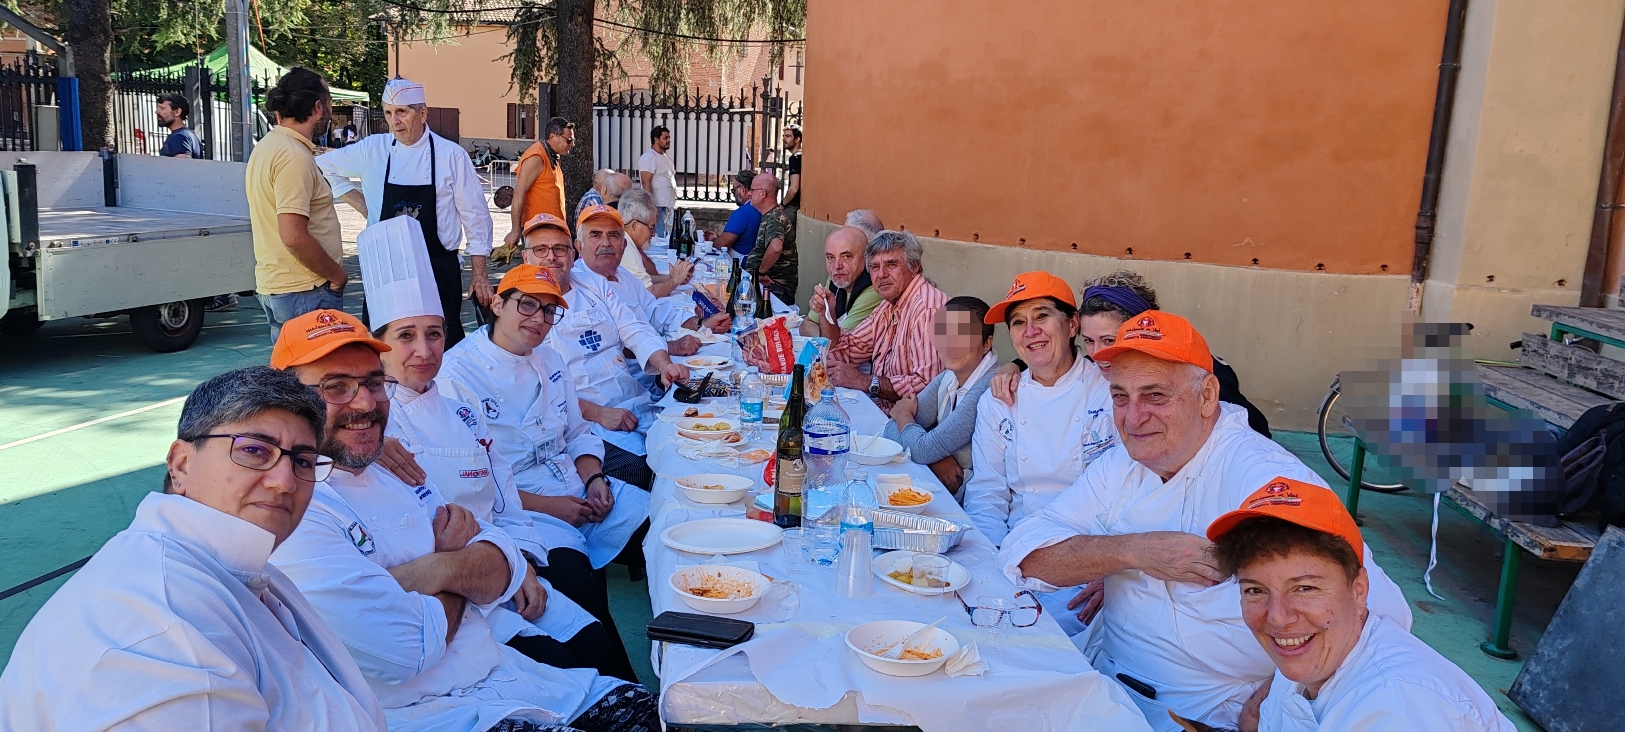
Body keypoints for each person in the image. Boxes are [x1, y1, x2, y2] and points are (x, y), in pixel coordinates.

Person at [997, 310, 1412, 732]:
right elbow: (1022, 555)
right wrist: (1130, 552)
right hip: (1103, 682)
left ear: (1208, 396)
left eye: (1155, 395)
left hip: (1204, 715)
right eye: (1120, 397)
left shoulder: (1263, 478)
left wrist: (1278, 694)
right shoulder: (1122, 464)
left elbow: (1382, 612)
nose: (1133, 417)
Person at [268, 308, 657, 732]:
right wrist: (460, 568)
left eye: (373, 383)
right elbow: (407, 652)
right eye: (335, 387)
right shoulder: (291, 509)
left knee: (652, 713)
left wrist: (433, 572)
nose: (364, 402)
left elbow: (501, 555)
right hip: (428, 714)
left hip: (504, 678)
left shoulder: (392, 467)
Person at [0, 366, 387, 731]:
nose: (285, 481)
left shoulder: (239, 569)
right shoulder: (164, 626)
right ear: (181, 464)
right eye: (254, 450)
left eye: (302, 461)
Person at [358, 216, 639, 683]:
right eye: (405, 335)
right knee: (577, 637)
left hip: (504, 557)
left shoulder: (459, 412)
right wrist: (509, 563)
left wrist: (519, 560)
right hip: (448, 598)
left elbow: (501, 495)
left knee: (597, 641)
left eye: (434, 334)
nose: (424, 351)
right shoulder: (369, 434)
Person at [1208, 478, 1517, 732]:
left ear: (1358, 590)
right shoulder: (1311, 663)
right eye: (1255, 590)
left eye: (1305, 588)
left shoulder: (1400, 708)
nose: (1277, 617)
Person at [437, 263, 654, 599]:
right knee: (582, 590)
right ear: (498, 304)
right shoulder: (456, 377)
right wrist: (552, 507)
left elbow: (577, 434)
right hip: (520, 511)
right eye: (527, 304)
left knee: (665, 530)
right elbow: (471, 486)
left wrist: (595, 480)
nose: (539, 318)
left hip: (577, 488)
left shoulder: (549, 359)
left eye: (549, 310)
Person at [317, 78, 495, 346]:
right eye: (388, 113)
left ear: (423, 114)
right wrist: (362, 204)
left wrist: (479, 274)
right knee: (383, 346)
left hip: (437, 269)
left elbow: (476, 217)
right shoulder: (373, 150)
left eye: (401, 112)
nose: (394, 121)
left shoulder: (451, 156)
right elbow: (322, 165)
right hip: (386, 271)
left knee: (440, 346)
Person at [524, 205, 690, 490]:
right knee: (643, 473)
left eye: (559, 249)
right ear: (525, 257)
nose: (551, 257)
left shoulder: (593, 284)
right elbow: (537, 391)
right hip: (582, 419)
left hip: (630, 397)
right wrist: (600, 413)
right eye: (540, 250)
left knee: (684, 443)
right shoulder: (522, 310)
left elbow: (634, 328)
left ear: (572, 254)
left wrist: (664, 365)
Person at [989, 270, 1272, 437]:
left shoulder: (1198, 375)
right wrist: (1014, 365)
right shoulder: (1100, 368)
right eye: (1089, 341)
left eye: (1110, 340)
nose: (1098, 355)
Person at [962, 272, 1114, 549]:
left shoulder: (1110, 390)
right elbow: (987, 492)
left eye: (1042, 316)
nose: (1030, 331)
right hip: (1019, 539)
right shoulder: (997, 401)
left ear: (1072, 325)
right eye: (1018, 322)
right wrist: (991, 555)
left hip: (1092, 545)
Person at [248, 66, 346, 342]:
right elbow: (293, 235)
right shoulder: (293, 157)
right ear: (318, 107)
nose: (330, 111)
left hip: (284, 285)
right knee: (315, 368)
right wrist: (336, 276)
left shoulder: (269, 146)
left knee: (291, 366)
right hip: (305, 288)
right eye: (329, 102)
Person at [882, 296, 997, 499]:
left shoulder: (988, 386)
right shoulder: (948, 376)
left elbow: (917, 442)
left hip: (980, 504)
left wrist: (904, 415)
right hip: (948, 494)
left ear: (987, 344)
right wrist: (936, 459)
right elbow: (890, 430)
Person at [823, 230, 948, 407]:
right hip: (883, 412)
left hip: (911, 421)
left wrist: (865, 381)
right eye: (874, 267)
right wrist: (827, 313)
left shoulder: (927, 309)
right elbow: (847, 351)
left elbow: (927, 387)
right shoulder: (887, 306)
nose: (881, 274)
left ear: (914, 267)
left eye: (891, 264)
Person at [506, 116, 575, 250]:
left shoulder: (551, 155)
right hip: (538, 229)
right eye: (569, 140)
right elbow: (519, 193)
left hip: (551, 227)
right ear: (553, 137)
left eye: (572, 140)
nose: (572, 144)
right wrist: (515, 231)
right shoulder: (536, 157)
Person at [800, 225, 882, 337]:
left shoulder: (874, 287)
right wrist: (824, 339)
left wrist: (824, 333)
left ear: (866, 258)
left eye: (846, 257)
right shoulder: (836, 279)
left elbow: (841, 342)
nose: (836, 266)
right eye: (830, 258)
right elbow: (807, 323)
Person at [617, 187, 692, 294]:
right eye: (651, 227)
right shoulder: (626, 247)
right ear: (634, 225)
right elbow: (649, 293)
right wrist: (674, 281)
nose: (653, 234)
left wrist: (672, 277)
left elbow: (640, 279)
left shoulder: (624, 239)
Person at [742, 171, 799, 303]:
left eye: (752, 190)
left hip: (775, 290)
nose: (749, 193)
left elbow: (775, 247)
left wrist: (761, 273)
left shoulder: (774, 218)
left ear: (762, 193)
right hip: (770, 289)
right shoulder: (771, 216)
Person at [637, 126, 677, 238]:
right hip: (658, 206)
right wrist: (652, 206)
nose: (668, 140)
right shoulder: (649, 157)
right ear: (656, 139)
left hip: (668, 206)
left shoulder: (667, 158)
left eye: (669, 137)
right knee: (660, 239)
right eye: (665, 138)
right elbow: (646, 182)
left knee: (668, 237)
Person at [711, 169, 761, 258]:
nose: (733, 195)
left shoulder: (743, 213)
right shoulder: (762, 208)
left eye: (734, 190)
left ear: (743, 190)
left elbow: (720, 245)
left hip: (740, 263)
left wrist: (713, 240)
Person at [156, 92, 202, 159]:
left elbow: (183, 163)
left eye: (162, 108)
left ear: (177, 112)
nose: (157, 112)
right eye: (158, 108)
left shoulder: (178, 137)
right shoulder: (188, 135)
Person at [782, 125, 802, 209]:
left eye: (788, 136)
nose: (783, 139)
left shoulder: (795, 158)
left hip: (794, 205)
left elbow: (794, 188)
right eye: (783, 136)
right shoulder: (803, 156)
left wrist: (783, 204)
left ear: (797, 139)